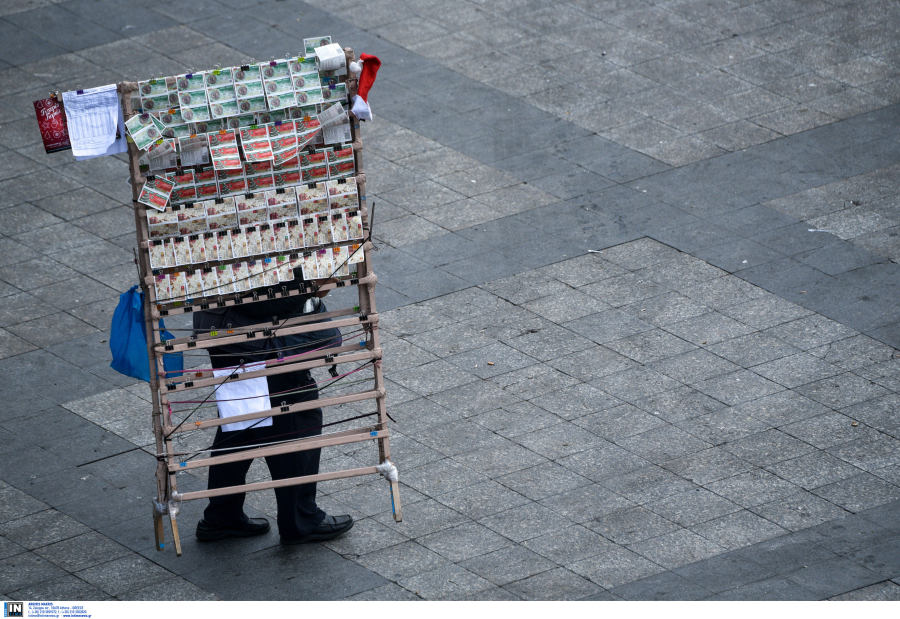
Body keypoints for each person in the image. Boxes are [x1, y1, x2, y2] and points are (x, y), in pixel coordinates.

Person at [192, 268, 354, 545]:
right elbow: (260, 299)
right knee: (296, 425)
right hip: (258, 346)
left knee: (239, 426)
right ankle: (301, 521)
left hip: (232, 340)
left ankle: (221, 516)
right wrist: (310, 285)